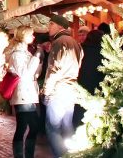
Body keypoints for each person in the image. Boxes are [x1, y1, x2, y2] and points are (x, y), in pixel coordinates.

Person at [43, 14, 82, 158]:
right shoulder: (75, 42)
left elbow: (54, 69)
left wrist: (46, 91)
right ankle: (72, 155)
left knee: (52, 129)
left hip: (58, 90)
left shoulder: (59, 42)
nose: (48, 27)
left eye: (51, 24)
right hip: (70, 90)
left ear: (60, 26)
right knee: (67, 127)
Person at [6, 27, 42, 158]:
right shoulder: (17, 54)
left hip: (28, 94)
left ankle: (25, 155)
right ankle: (22, 155)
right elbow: (25, 74)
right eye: (31, 34)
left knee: (27, 126)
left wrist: (38, 59)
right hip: (23, 95)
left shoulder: (25, 52)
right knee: (29, 126)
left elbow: (35, 73)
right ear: (23, 36)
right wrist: (37, 56)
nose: (33, 37)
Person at [75, 29, 105, 127]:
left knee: (80, 113)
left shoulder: (81, 49)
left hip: (82, 85)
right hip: (99, 87)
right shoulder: (104, 52)